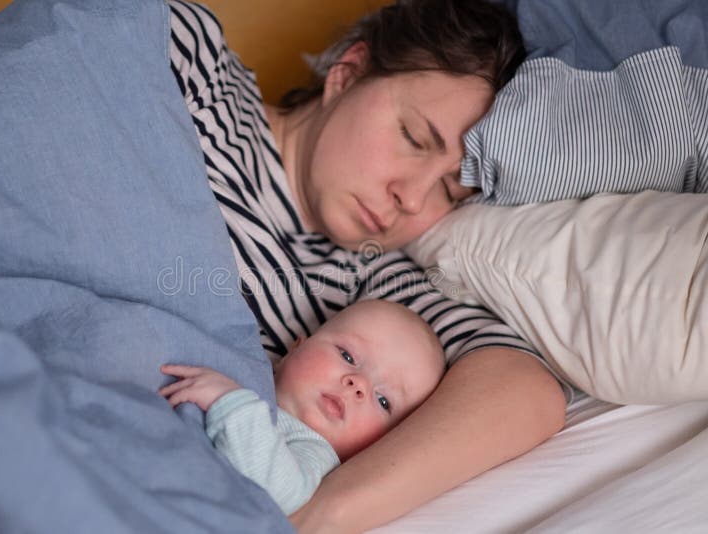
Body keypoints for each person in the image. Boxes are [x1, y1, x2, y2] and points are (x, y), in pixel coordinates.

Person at [167, 0, 569, 531]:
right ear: (347, 73)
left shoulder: (373, 282)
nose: (411, 196)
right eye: (413, 138)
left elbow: (524, 390)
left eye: (450, 191)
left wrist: (321, 513)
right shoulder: (201, 77)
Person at [157, 300, 444, 515]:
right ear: (296, 347)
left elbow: (282, 491)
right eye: (347, 355)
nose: (358, 385)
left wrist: (229, 403)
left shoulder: (315, 452)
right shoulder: (250, 362)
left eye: (384, 402)